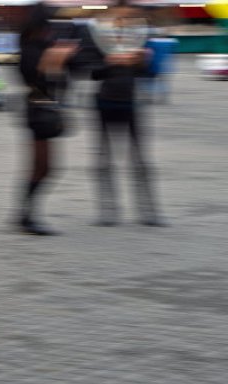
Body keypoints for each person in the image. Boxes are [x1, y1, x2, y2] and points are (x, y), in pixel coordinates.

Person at [91, 1, 165, 227]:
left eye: (128, 16)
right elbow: (91, 72)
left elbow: (151, 73)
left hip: (131, 102)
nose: (123, 20)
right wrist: (110, 62)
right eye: (120, 15)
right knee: (105, 159)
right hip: (105, 102)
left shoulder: (140, 38)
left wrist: (144, 61)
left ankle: (148, 212)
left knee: (140, 159)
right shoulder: (99, 37)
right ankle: (108, 211)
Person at [16, 3, 77, 236]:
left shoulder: (41, 45)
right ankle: (26, 216)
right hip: (37, 111)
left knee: (43, 167)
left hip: (42, 110)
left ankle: (24, 215)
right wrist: (57, 58)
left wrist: (62, 57)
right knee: (43, 167)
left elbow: (64, 78)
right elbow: (37, 76)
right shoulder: (31, 48)